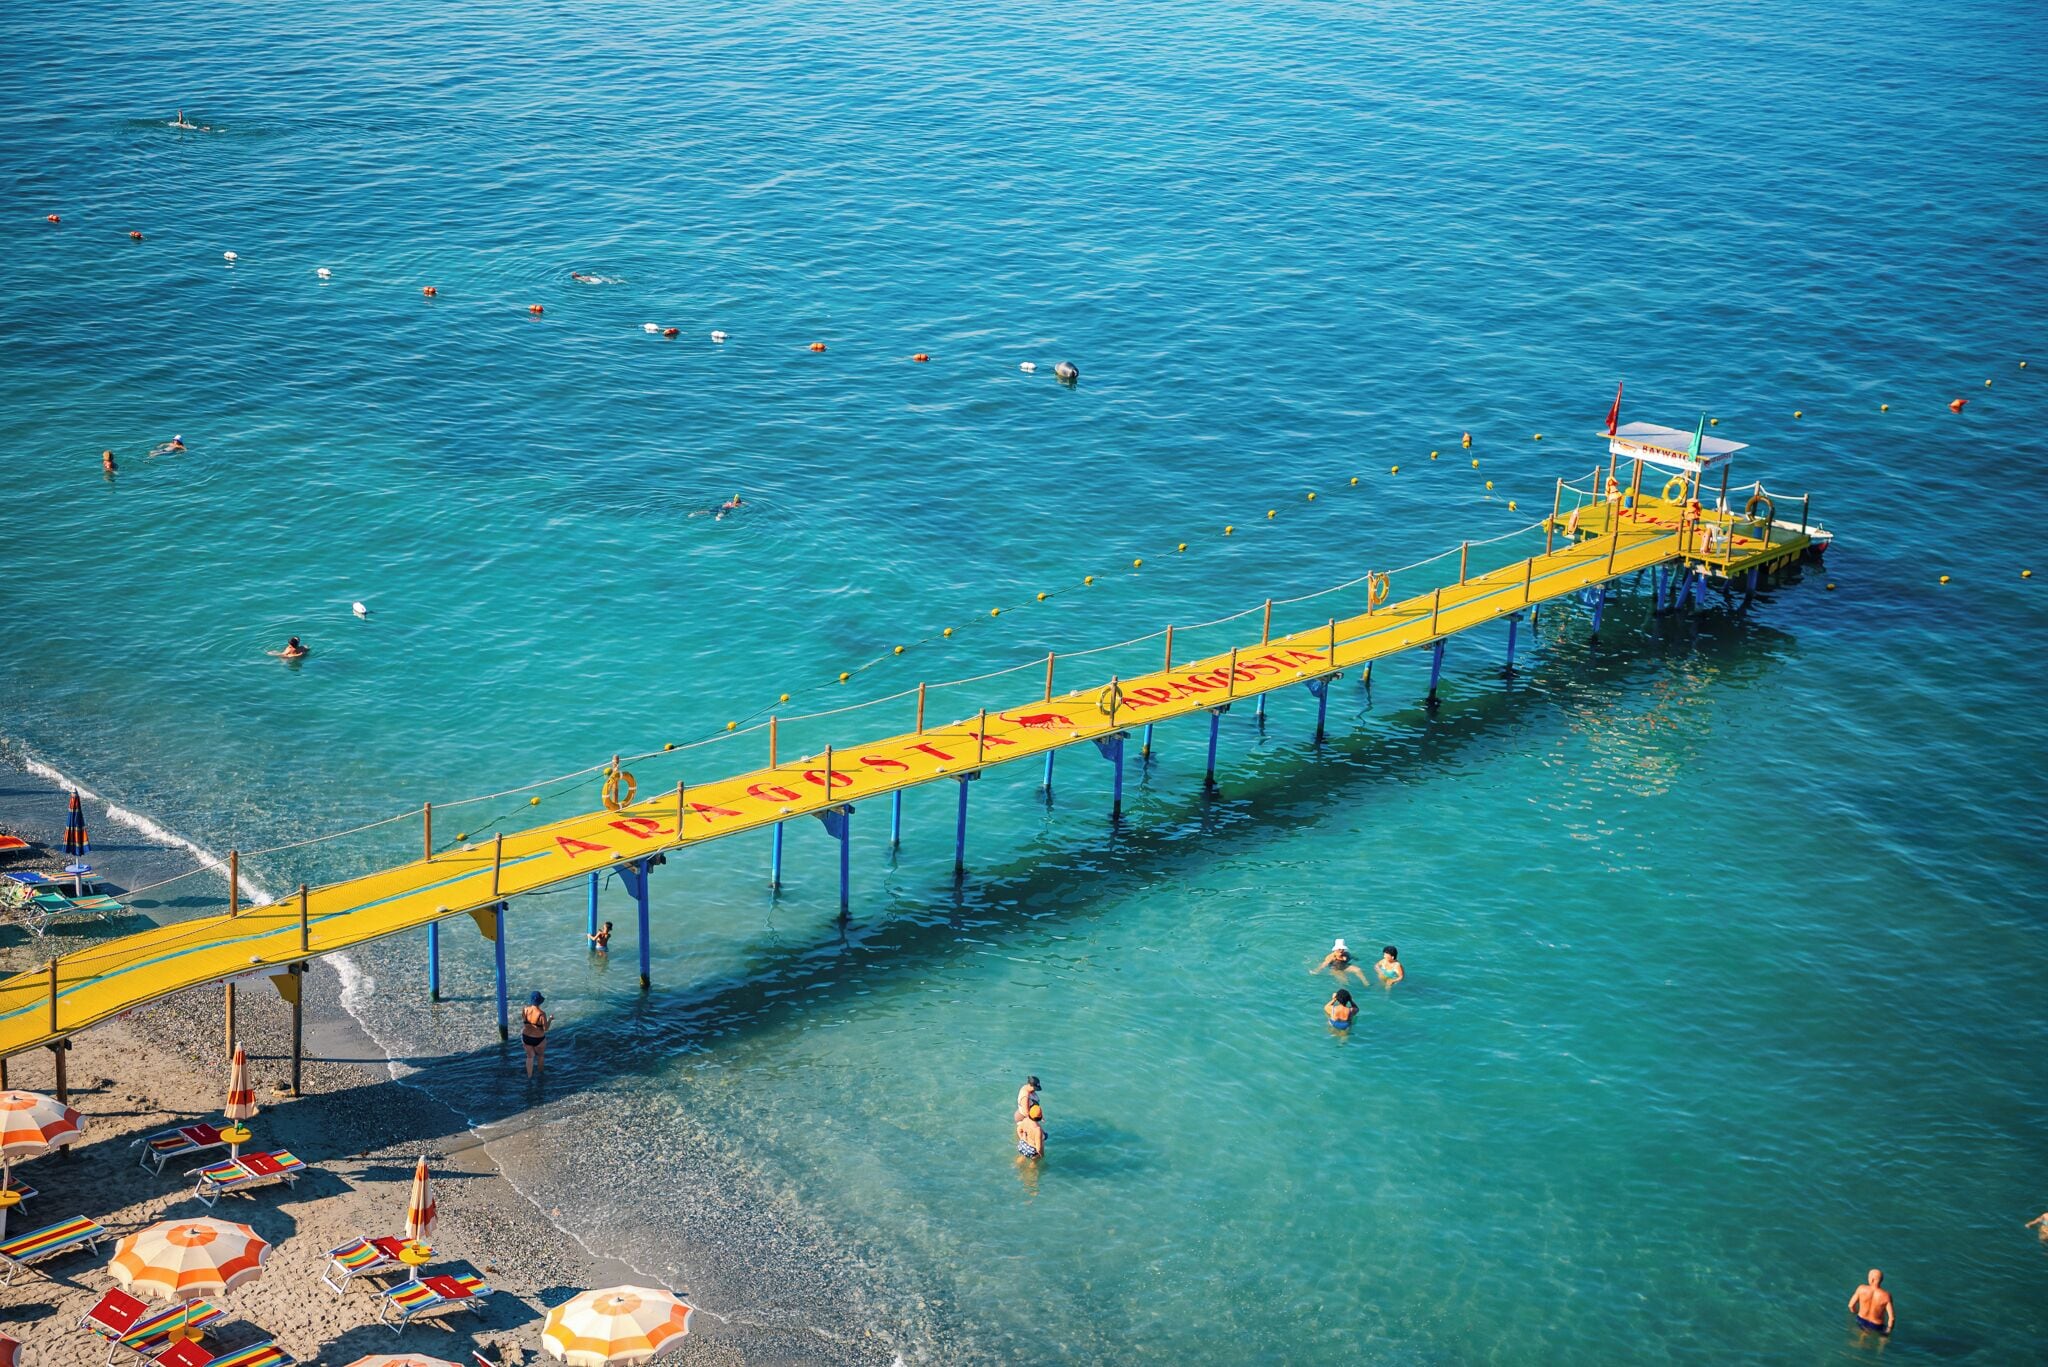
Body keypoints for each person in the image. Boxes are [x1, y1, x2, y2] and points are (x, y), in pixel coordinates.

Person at [1847, 1269, 1893, 1336]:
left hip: (1861, 1320)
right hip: (1876, 1325)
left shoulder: (1861, 1289)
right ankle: (1882, 1344)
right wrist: (1888, 1331)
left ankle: (1861, 1340)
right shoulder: (1886, 1296)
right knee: (1884, 1337)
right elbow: (1892, 1318)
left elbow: (1851, 1305)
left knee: (1863, 1332)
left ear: (1872, 1280)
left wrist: (1856, 1312)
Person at [520, 991, 551, 1076]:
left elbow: (525, 1022)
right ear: (540, 1001)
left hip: (526, 1037)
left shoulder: (525, 1010)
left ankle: (529, 1077)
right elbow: (545, 1029)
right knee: (540, 1056)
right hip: (538, 1039)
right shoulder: (541, 1014)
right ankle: (540, 1075)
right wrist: (550, 1020)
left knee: (529, 1057)